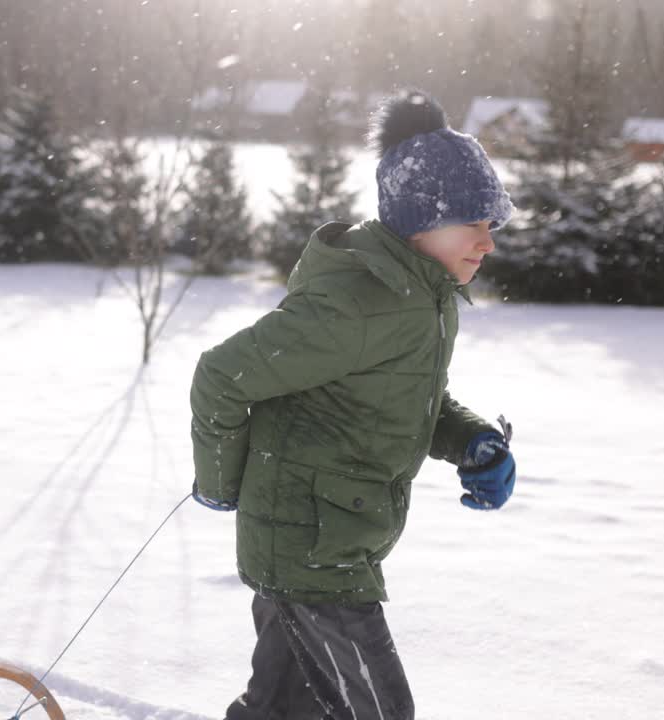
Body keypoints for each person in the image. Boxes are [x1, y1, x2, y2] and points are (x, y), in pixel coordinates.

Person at [188, 89, 518, 720]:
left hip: (333, 535)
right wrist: (221, 484)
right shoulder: (358, 305)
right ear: (421, 219)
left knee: (281, 707)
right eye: (474, 222)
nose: (489, 241)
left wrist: (471, 440)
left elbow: (403, 396)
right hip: (312, 548)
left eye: (492, 223)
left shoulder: (424, 296)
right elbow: (222, 376)